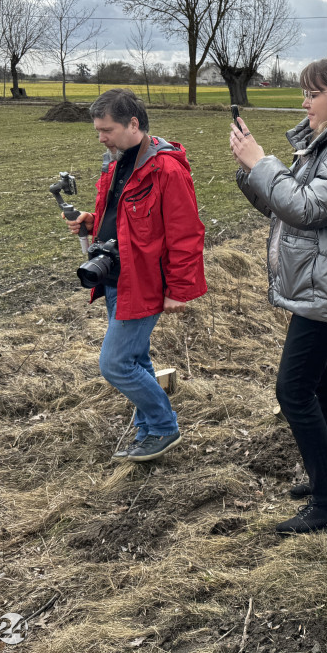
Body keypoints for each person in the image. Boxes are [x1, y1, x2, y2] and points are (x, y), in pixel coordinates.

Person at [230, 55, 327, 535]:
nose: (304, 102)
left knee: (294, 390)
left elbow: (308, 207)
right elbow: (283, 207)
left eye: (313, 93)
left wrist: (263, 163)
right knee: (324, 381)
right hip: (324, 278)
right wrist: (250, 171)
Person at [66, 88, 206, 463]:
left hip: (145, 282)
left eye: (107, 130)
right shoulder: (116, 162)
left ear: (133, 124)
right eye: (98, 130)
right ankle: (147, 434)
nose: (101, 137)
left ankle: (163, 426)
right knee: (135, 360)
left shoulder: (166, 169)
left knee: (115, 364)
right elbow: (121, 216)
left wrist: (178, 289)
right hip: (115, 276)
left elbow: (186, 233)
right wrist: (91, 221)